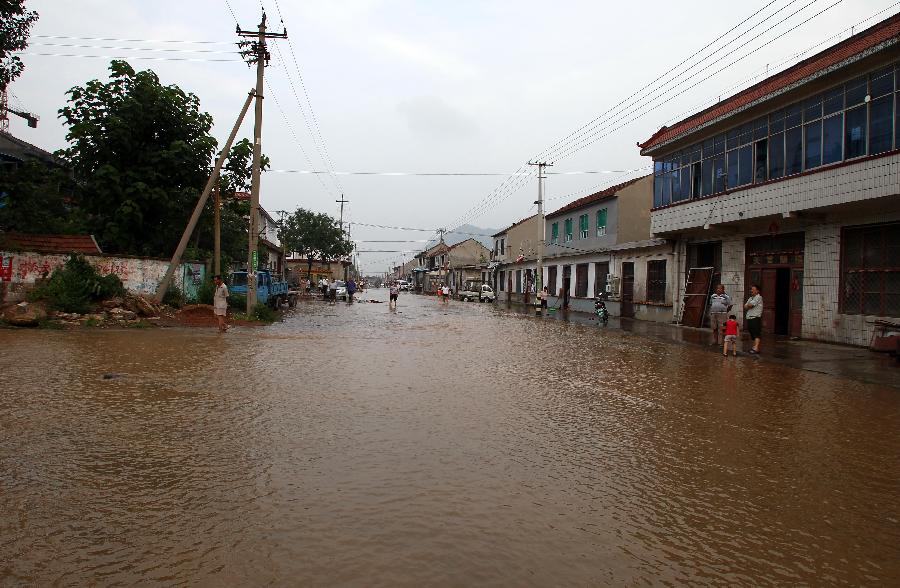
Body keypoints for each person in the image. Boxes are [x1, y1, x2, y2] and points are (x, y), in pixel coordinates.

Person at [744, 284, 763, 354]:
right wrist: (748, 305)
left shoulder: (758, 297)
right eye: (751, 289)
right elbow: (745, 306)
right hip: (749, 318)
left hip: (755, 318)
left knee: (756, 333)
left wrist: (748, 305)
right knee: (752, 333)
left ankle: (756, 348)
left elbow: (750, 305)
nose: (751, 290)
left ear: (757, 291)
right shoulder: (751, 298)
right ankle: (754, 347)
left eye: (753, 289)